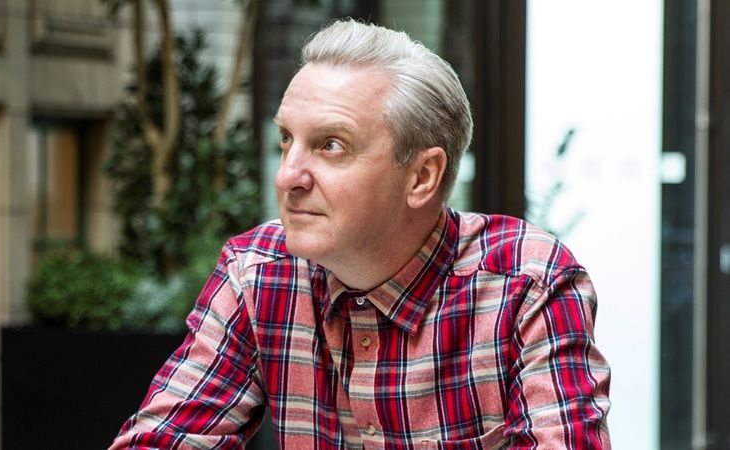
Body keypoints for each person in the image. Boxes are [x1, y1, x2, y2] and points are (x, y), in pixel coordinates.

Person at [108, 18, 611, 450]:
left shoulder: (527, 283)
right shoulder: (257, 273)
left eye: (330, 145)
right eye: (287, 139)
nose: (288, 175)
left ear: (421, 178)